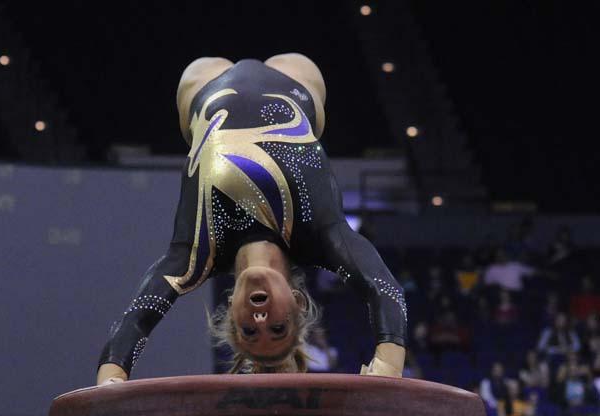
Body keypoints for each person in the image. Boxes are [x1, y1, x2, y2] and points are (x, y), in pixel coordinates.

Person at [96, 54, 407, 385]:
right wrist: (388, 367)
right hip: (296, 85)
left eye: (248, 330)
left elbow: (136, 320)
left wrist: (112, 379)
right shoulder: (319, 236)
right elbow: (384, 289)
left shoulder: (197, 255)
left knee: (198, 74)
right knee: (302, 68)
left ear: (231, 308)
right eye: (277, 329)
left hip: (205, 86)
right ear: (299, 303)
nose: (261, 318)